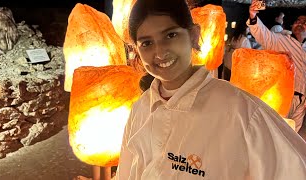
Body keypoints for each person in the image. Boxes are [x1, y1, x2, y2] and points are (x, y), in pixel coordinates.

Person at [115, 0, 306, 179]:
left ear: (193, 35)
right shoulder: (140, 109)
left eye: (170, 35)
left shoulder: (241, 111)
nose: (160, 52)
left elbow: (296, 168)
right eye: (146, 43)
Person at [248, 1, 306, 133]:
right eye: (298, 21)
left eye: (305, 22)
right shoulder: (281, 40)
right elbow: (263, 34)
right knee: (276, 132)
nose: (301, 24)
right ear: (292, 24)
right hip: (284, 96)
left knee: (293, 135)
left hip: (302, 101)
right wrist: (253, 15)